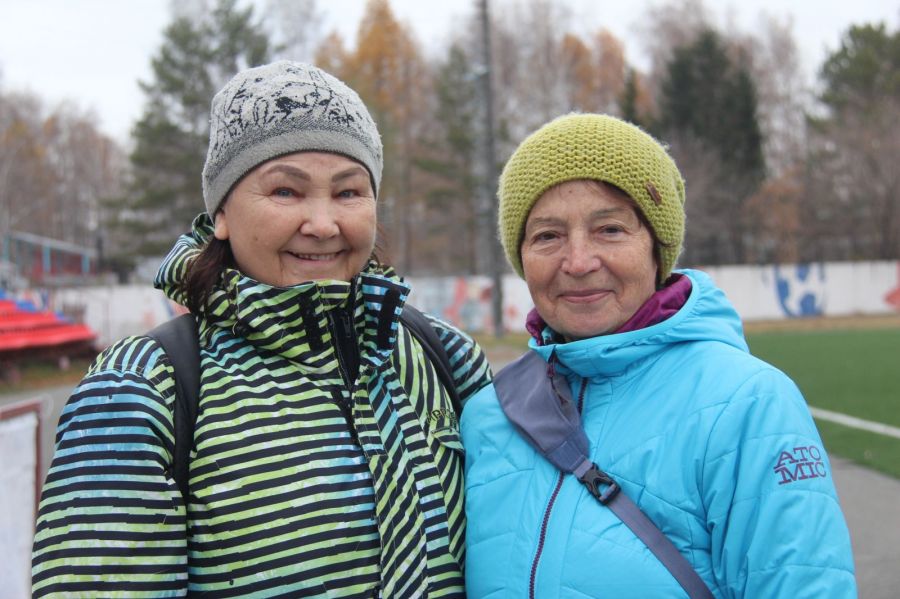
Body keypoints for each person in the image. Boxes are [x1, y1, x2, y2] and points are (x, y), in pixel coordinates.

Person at [32, 61, 491, 598]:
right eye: (285, 192)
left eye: (348, 193)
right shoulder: (143, 388)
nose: (323, 224)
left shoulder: (441, 354)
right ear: (221, 213)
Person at [461, 113, 856, 597]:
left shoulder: (748, 403)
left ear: (657, 247)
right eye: (547, 235)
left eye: (610, 229)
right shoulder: (488, 413)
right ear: (521, 256)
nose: (579, 262)